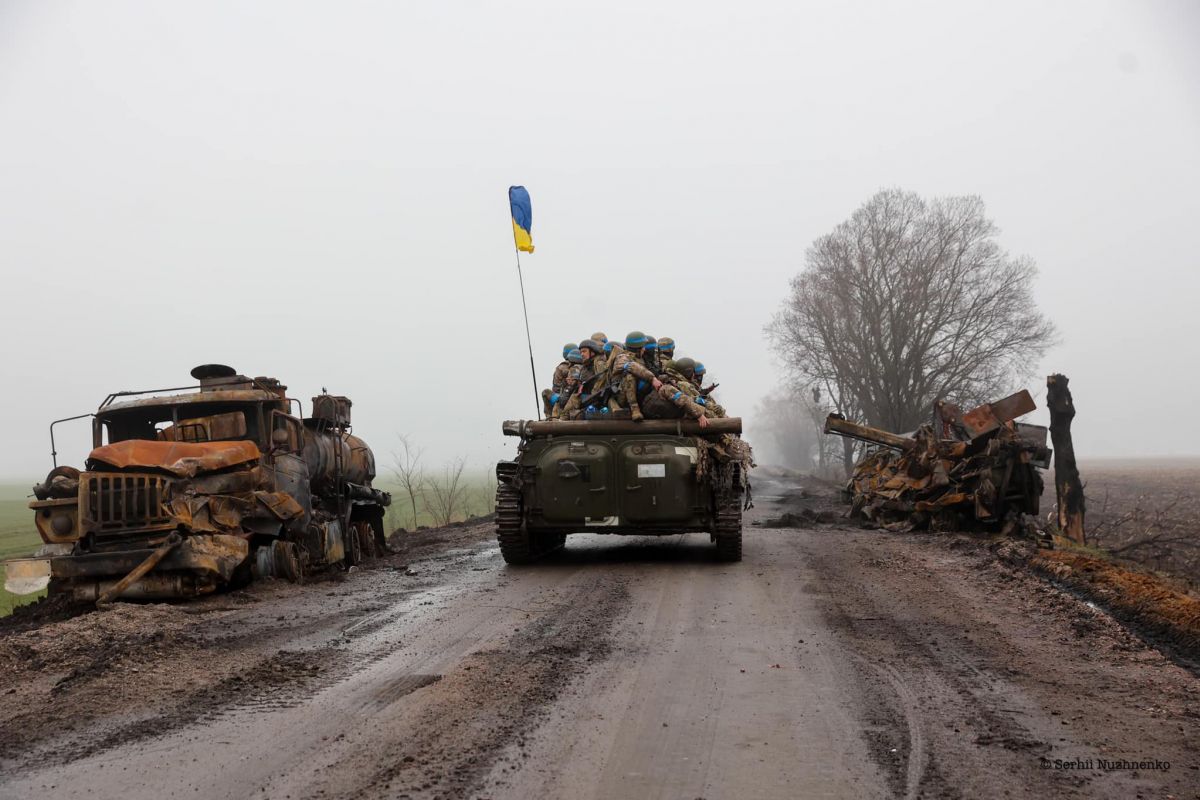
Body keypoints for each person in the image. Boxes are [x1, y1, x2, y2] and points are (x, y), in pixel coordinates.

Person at [607, 331, 662, 421]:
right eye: (643, 347)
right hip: (621, 398)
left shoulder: (642, 360)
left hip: (639, 396)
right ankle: (635, 409)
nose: (644, 349)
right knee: (629, 376)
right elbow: (631, 366)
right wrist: (652, 379)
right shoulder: (622, 357)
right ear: (638, 347)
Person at [559, 339, 604, 420]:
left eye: (584, 351)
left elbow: (602, 381)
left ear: (592, 352)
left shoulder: (598, 363)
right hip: (584, 399)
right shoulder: (584, 367)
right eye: (581, 352)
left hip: (595, 400)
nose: (582, 354)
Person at [542, 343, 579, 418]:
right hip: (563, 394)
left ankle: (549, 416)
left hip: (562, 395)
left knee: (545, 392)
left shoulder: (563, 367)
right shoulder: (567, 367)